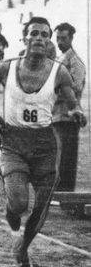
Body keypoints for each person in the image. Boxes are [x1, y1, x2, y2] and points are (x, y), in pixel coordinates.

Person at [0, 16, 81, 267]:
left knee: (42, 205)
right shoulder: (6, 67)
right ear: (24, 38)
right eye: (34, 33)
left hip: (45, 145)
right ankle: (12, 217)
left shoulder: (60, 71)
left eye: (44, 35)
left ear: (49, 42)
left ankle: (23, 249)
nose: (39, 38)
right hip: (13, 142)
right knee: (19, 204)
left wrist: (78, 112)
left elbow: (72, 102)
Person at [53, 22, 87, 192]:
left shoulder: (76, 62)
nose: (60, 42)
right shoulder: (59, 59)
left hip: (69, 116)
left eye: (63, 38)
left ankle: (65, 197)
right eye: (57, 38)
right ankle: (58, 194)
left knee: (66, 160)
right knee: (57, 157)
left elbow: (76, 89)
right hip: (56, 115)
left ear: (71, 38)